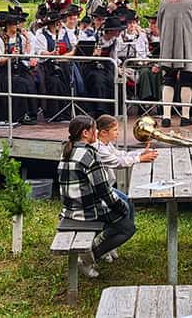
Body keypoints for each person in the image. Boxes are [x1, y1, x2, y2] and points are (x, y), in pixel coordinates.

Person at [58, 115, 136, 279]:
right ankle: (90, 257)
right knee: (128, 226)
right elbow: (103, 191)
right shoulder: (90, 155)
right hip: (86, 211)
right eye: (94, 129)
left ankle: (102, 247)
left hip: (70, 209)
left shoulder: (67, 150)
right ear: (86, 133)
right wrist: (121, 207)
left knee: (124, 205)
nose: (97, 132)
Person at [91, 113, 157, 262]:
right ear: (103, 132)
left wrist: (140, 153)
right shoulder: (98, 148)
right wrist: (140, 159)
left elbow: (120, 154)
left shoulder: (106, 144)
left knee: (129, 203)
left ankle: (113, 242)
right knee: (123, 208)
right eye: (115, 130)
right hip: (100, 191)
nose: (118, 133)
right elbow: (117, 162)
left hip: (107, 187)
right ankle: (106, 242)